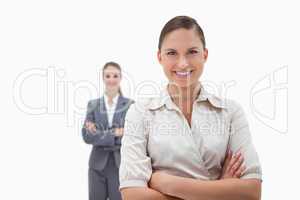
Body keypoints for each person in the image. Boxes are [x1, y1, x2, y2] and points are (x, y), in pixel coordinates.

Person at [119, 16, 262, 200]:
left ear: (205, 54)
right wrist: (220, 188)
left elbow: (251, 191)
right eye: (172, 53)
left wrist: (165, 183)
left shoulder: (230, 112)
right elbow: (133, 195)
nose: (183, 63)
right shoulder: (140, 113)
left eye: (192, 52)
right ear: (159, 57)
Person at [82, 61, 133, 200]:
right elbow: (87, 136)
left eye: (115, 76)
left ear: (120, 78)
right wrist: (115, 133)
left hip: (120, 165)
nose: (111, 79)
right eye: (108, 76)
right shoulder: (93, 105)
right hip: (97, 165)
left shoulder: (130, 105)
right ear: (103, 77)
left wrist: (99, 134)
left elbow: (131, 135)